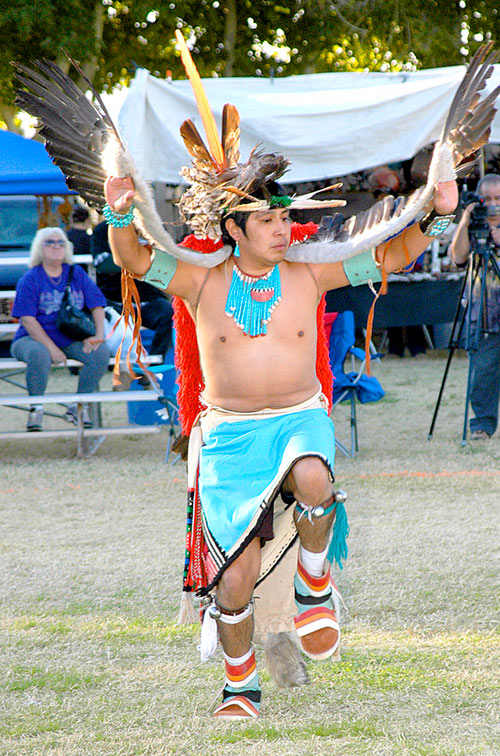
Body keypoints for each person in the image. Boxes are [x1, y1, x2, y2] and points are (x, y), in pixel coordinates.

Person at [103, 168, 457, 717]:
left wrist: (439, 213)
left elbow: (391, 258)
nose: (282, 229)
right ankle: (239, 683)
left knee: (315, 473)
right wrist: (121, 212)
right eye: (267, 220)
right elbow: (133, 259)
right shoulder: (200, 280)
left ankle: (312, 586)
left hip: (298, 418)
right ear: (233, 229)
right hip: (228, 435)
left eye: (286, 217)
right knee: (234, 580)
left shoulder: (309, 274)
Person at [10, 227, 111, 431]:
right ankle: (36, 409)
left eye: (61, 242)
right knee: (40, 354)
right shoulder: (30, 279)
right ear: (39, 248)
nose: (56, 246)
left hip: (69, 336)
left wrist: (98, 336)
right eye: (50, 242)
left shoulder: (76, 273)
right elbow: (28, 320)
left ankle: (78, 406)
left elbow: (97, 305)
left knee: (101, 353)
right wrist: (51, 348)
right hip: (31, 339)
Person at [449, 173, 500, 440]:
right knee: (483, 373)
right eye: (487, 198)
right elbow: (457, 257)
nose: (492, 204)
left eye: (498, 198)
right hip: (483, 313)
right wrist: (466, 219)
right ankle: (482, 424)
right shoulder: (472, 227)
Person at [91, 220, 173, 361]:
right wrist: (139, 258)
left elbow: (163, 260)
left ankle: (154, 365)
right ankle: (119, 367)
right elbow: (103, 265)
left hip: (149, 298)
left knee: (169, 314)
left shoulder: (153, 225)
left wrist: (121, 260)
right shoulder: (103, 230)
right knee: (113, 327)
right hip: (114, 300)